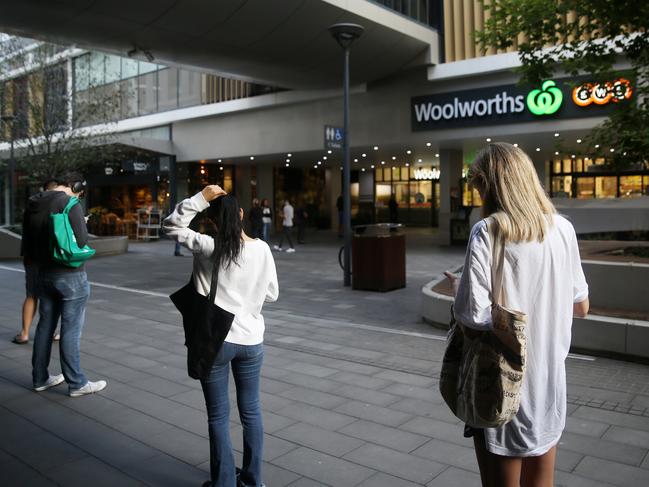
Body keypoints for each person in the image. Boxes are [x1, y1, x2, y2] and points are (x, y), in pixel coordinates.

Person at [444, 143, 589, 487]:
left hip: (502, 383)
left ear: (488, 185)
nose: (476, 193)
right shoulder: (562, 228)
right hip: (550, 384)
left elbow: (471, 313)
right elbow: (581, 305)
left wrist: (459, 288)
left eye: (477, 185)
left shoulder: (489, 230)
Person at [163, 185, 279, 487]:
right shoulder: (262, 249)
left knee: (218, 415)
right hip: (252, 341)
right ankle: (253, 481)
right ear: (241, 215)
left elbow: (171, 225)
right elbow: (272, 294)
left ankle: (224, 482)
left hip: (217, 341)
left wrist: (201, 197)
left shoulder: (207, 246)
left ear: (212, 221)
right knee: (251, 411)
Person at [22, 173, 107, 397]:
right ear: (75, 186)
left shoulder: (34, 202)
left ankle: (40, 378)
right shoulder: (70, 203)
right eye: (80, 190)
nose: (80, 195)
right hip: (70, 276)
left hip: (43, 274)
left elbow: (28, 242)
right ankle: (77, 383)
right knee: (71, 329)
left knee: (44, 326)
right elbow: (81, 240)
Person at [13, 179, 61, 345]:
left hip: (31, 257)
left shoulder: (31, 204)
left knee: (31, 295)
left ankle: (25, 333)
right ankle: (51, 332)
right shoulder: (57, 205)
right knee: (50, 296)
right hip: (50, 258)